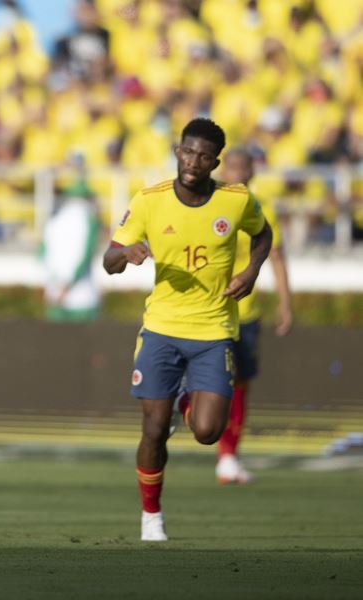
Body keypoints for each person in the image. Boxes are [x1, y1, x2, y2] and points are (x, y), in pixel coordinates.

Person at [102, 118, 272, 542]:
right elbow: (108, 258)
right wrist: (126, 253)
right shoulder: (149, 200)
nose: (192, 162)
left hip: (213, 330)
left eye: (203, 156)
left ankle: (185, 403)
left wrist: (252, 271)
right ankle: (151, 515)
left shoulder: (236, 201)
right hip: (161, 329)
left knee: (208, 432)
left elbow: (263, 234)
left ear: (216, 161)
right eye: (186, 152)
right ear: (177, 151)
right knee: (154, 430)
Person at [215, 147, 293, 484]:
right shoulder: (208, 202)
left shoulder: (262, 208)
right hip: (210, 312)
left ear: (251, 172)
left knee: (240, 384)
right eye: (230, 167)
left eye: (242, 168)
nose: (236, 173)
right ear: (222, 170)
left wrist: (285, 302)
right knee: (213, 381)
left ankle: (228, 455)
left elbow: (276, 256)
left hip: (245, 313)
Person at [42, 183, 101, 322]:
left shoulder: (54, 219)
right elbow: (85, 255)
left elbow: (42, 254)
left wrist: (55, 285)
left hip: (54, 294)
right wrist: (66, 285)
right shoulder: (89, 219)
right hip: (82, 298)